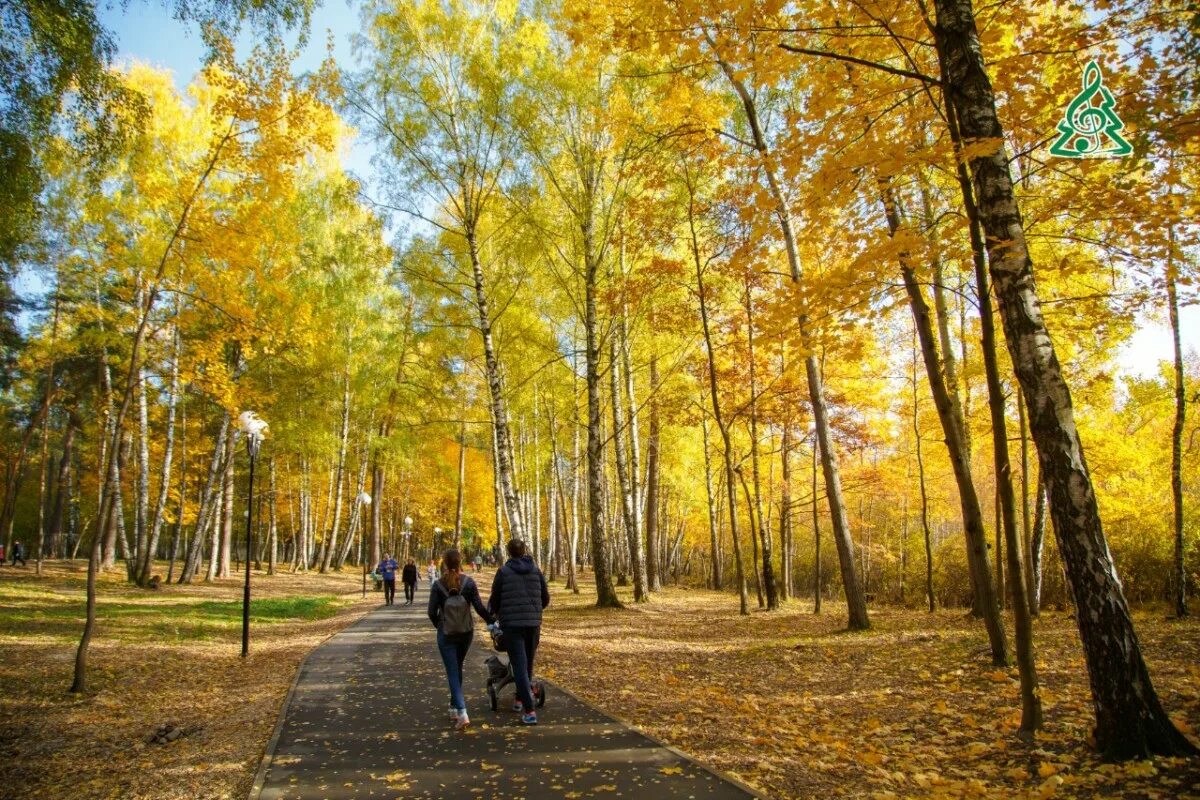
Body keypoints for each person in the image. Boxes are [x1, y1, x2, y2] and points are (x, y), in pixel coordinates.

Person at [428, 548, 493, 731]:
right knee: (457, 667)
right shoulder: (468, 583)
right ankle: (454, 707)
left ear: (445, 563)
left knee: (452, 670)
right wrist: (492, 621)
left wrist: (441, 625)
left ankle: (462, 712)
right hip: (466, 632)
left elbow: (431, 612)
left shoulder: (438, 585)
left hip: (446, 633)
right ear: (460, 562)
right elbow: (480, 608)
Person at [487, 539, 549, 725]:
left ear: (508, 552)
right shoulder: (536, 571)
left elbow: (495, 598)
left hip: (512, 625)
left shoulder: (504, 572)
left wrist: (496, 614)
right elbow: (545, 598)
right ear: (524, 551)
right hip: (533, 624)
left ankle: (529, 710)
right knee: (527, 664)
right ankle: (520, 699)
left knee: (519, 666)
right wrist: (535, 611)